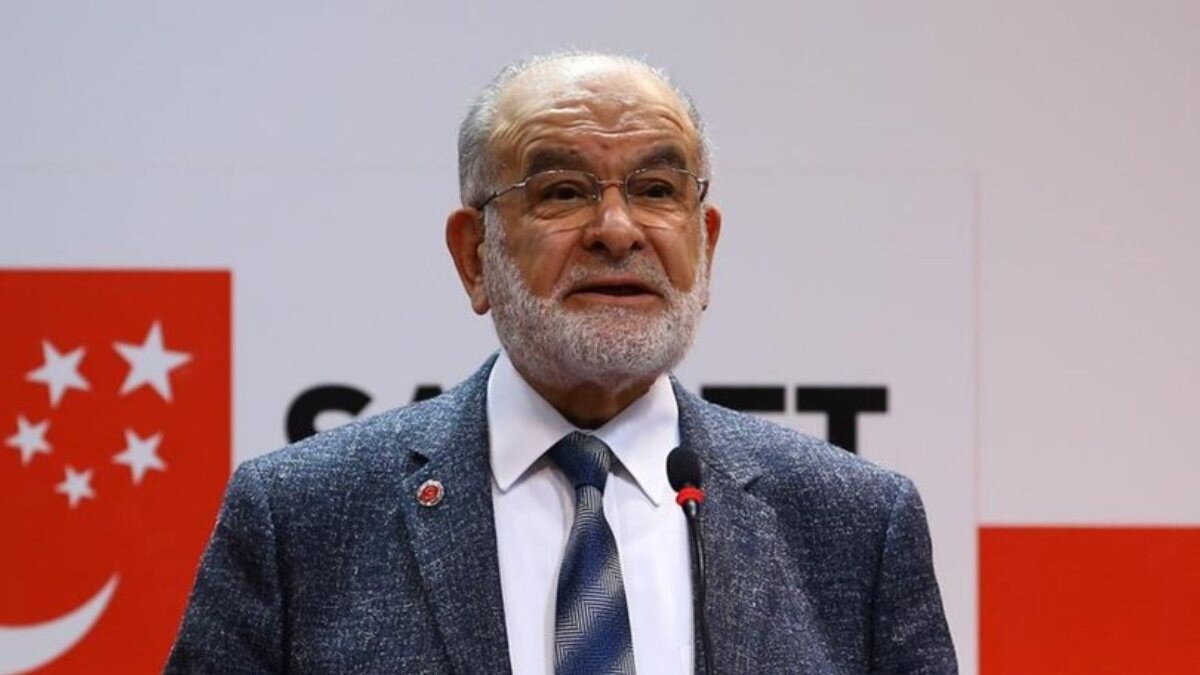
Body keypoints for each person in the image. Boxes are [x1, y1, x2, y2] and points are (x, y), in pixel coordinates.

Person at [166, 52, 957, 674]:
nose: (617, 229)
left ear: (706, 243)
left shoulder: (854, 524)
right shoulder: (300, 517)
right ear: (474, 255)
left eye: (657, 188)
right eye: (563, 191)